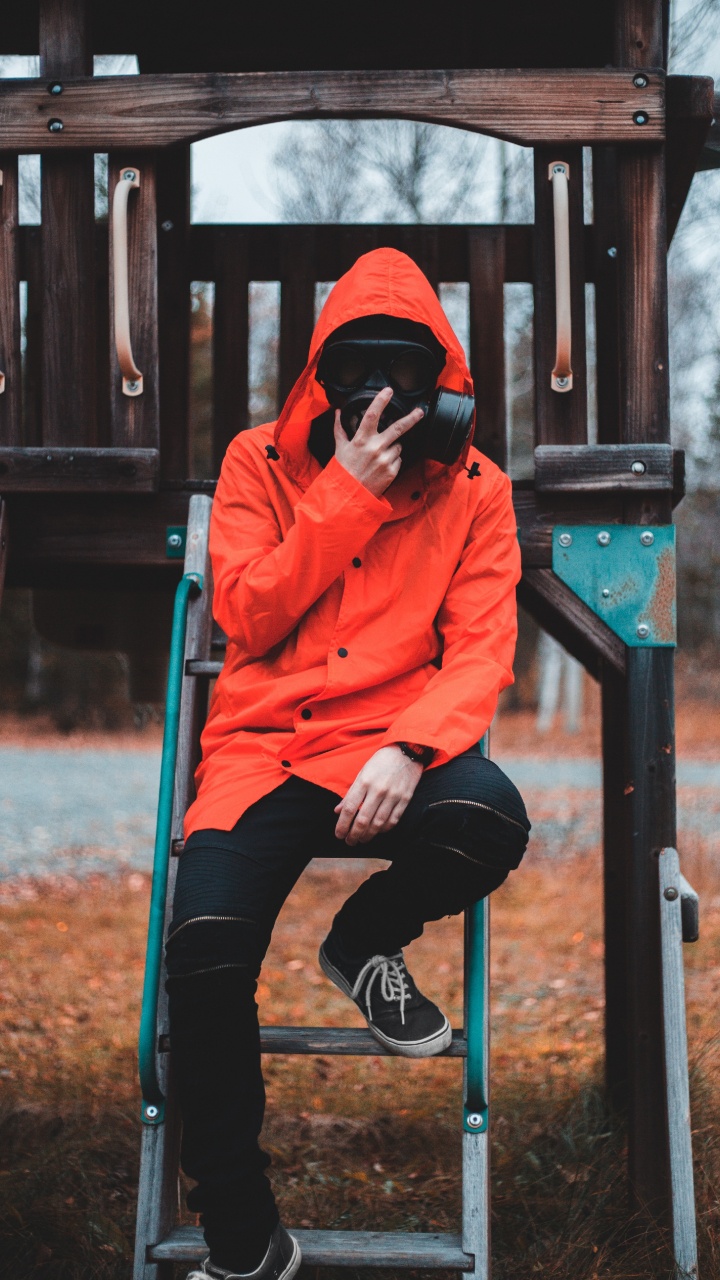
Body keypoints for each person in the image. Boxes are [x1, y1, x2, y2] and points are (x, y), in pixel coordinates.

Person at [170, 248, 530, 1280]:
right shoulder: (256, 465)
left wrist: (412, 746)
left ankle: (363, 940)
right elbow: (245, 609)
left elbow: (481, 651)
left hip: (390, 745)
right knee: (201, 954)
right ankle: (243, 1235)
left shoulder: (474, 487)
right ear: (322, 375)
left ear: (440, 378)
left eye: (406, 370)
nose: (382, 393)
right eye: (361, 367)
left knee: (493, 817)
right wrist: (347, 495)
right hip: (264, 750)